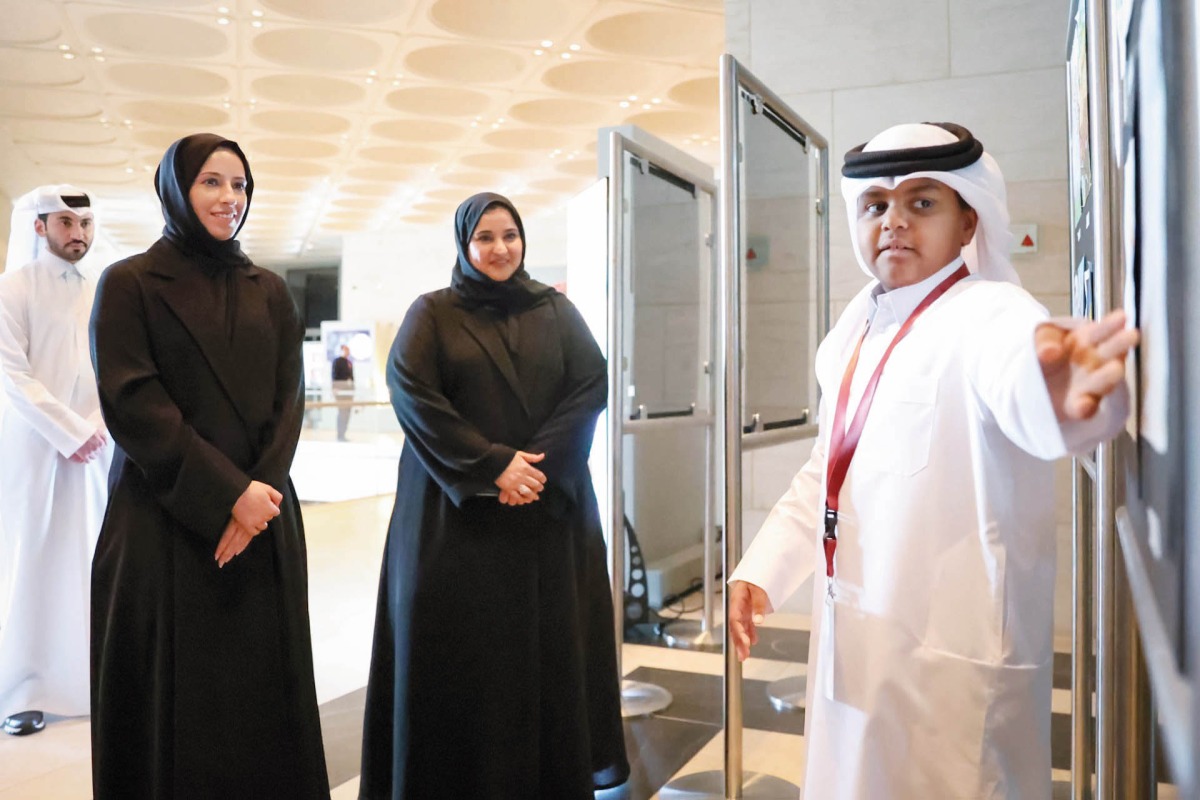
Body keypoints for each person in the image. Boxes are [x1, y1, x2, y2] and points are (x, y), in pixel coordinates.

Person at [726, 123, 1139, 800]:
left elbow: (1020, 370)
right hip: (855, 639)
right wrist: (765, 568)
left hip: (948, 660)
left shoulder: (992, 312)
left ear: (967, 220)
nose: (893, 222)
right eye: (876, 205)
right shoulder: (853, 329)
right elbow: (828, 471)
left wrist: (1059, 390)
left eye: (922, 203)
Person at [359, 192, 629, 799]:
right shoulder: (432, 313)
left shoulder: (556, 311)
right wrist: (492, 467)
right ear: (463, 243)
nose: (500, 248)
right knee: (460, 660)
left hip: (547, 512)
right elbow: (414, 397)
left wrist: (535, 469)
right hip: (454, 521)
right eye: (485, 237)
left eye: (510, 235)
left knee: (544, 654)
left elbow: (590, 385)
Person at [88, 133, 329, 799]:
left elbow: (290, 402)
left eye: (240, 185)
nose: (230, 199)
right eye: (212, 183)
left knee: (262, 703)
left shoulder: (270, 291)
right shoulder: (130, 283)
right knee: (180, 709)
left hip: (263, 521)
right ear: (177, 189)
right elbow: (134, 404)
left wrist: (259, 497)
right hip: (167, 522)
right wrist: (228, 495)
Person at [0, 185, 112, 736]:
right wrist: (68, 430)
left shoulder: (102, 290)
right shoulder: (11, 289)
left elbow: (116, 369)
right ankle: (23, 691)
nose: (79, 234)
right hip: (32, 449)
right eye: (66, 222)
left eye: (86, 223)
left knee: (91, 560)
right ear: (39, 226)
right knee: (31, 564)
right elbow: (11, 374)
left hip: (97, 448)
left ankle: (93, 679)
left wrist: (97, 429)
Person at [331, 343, 354, 441]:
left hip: (349, 392)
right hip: (341, 391)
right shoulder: (337, 361)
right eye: (345, 350)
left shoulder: (349, 362)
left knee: (347, 412)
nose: (347, 352)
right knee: (342, 412)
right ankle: (340, 434)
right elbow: (334, 376)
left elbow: (352, 377)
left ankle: (343, 434)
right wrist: (335, 389)